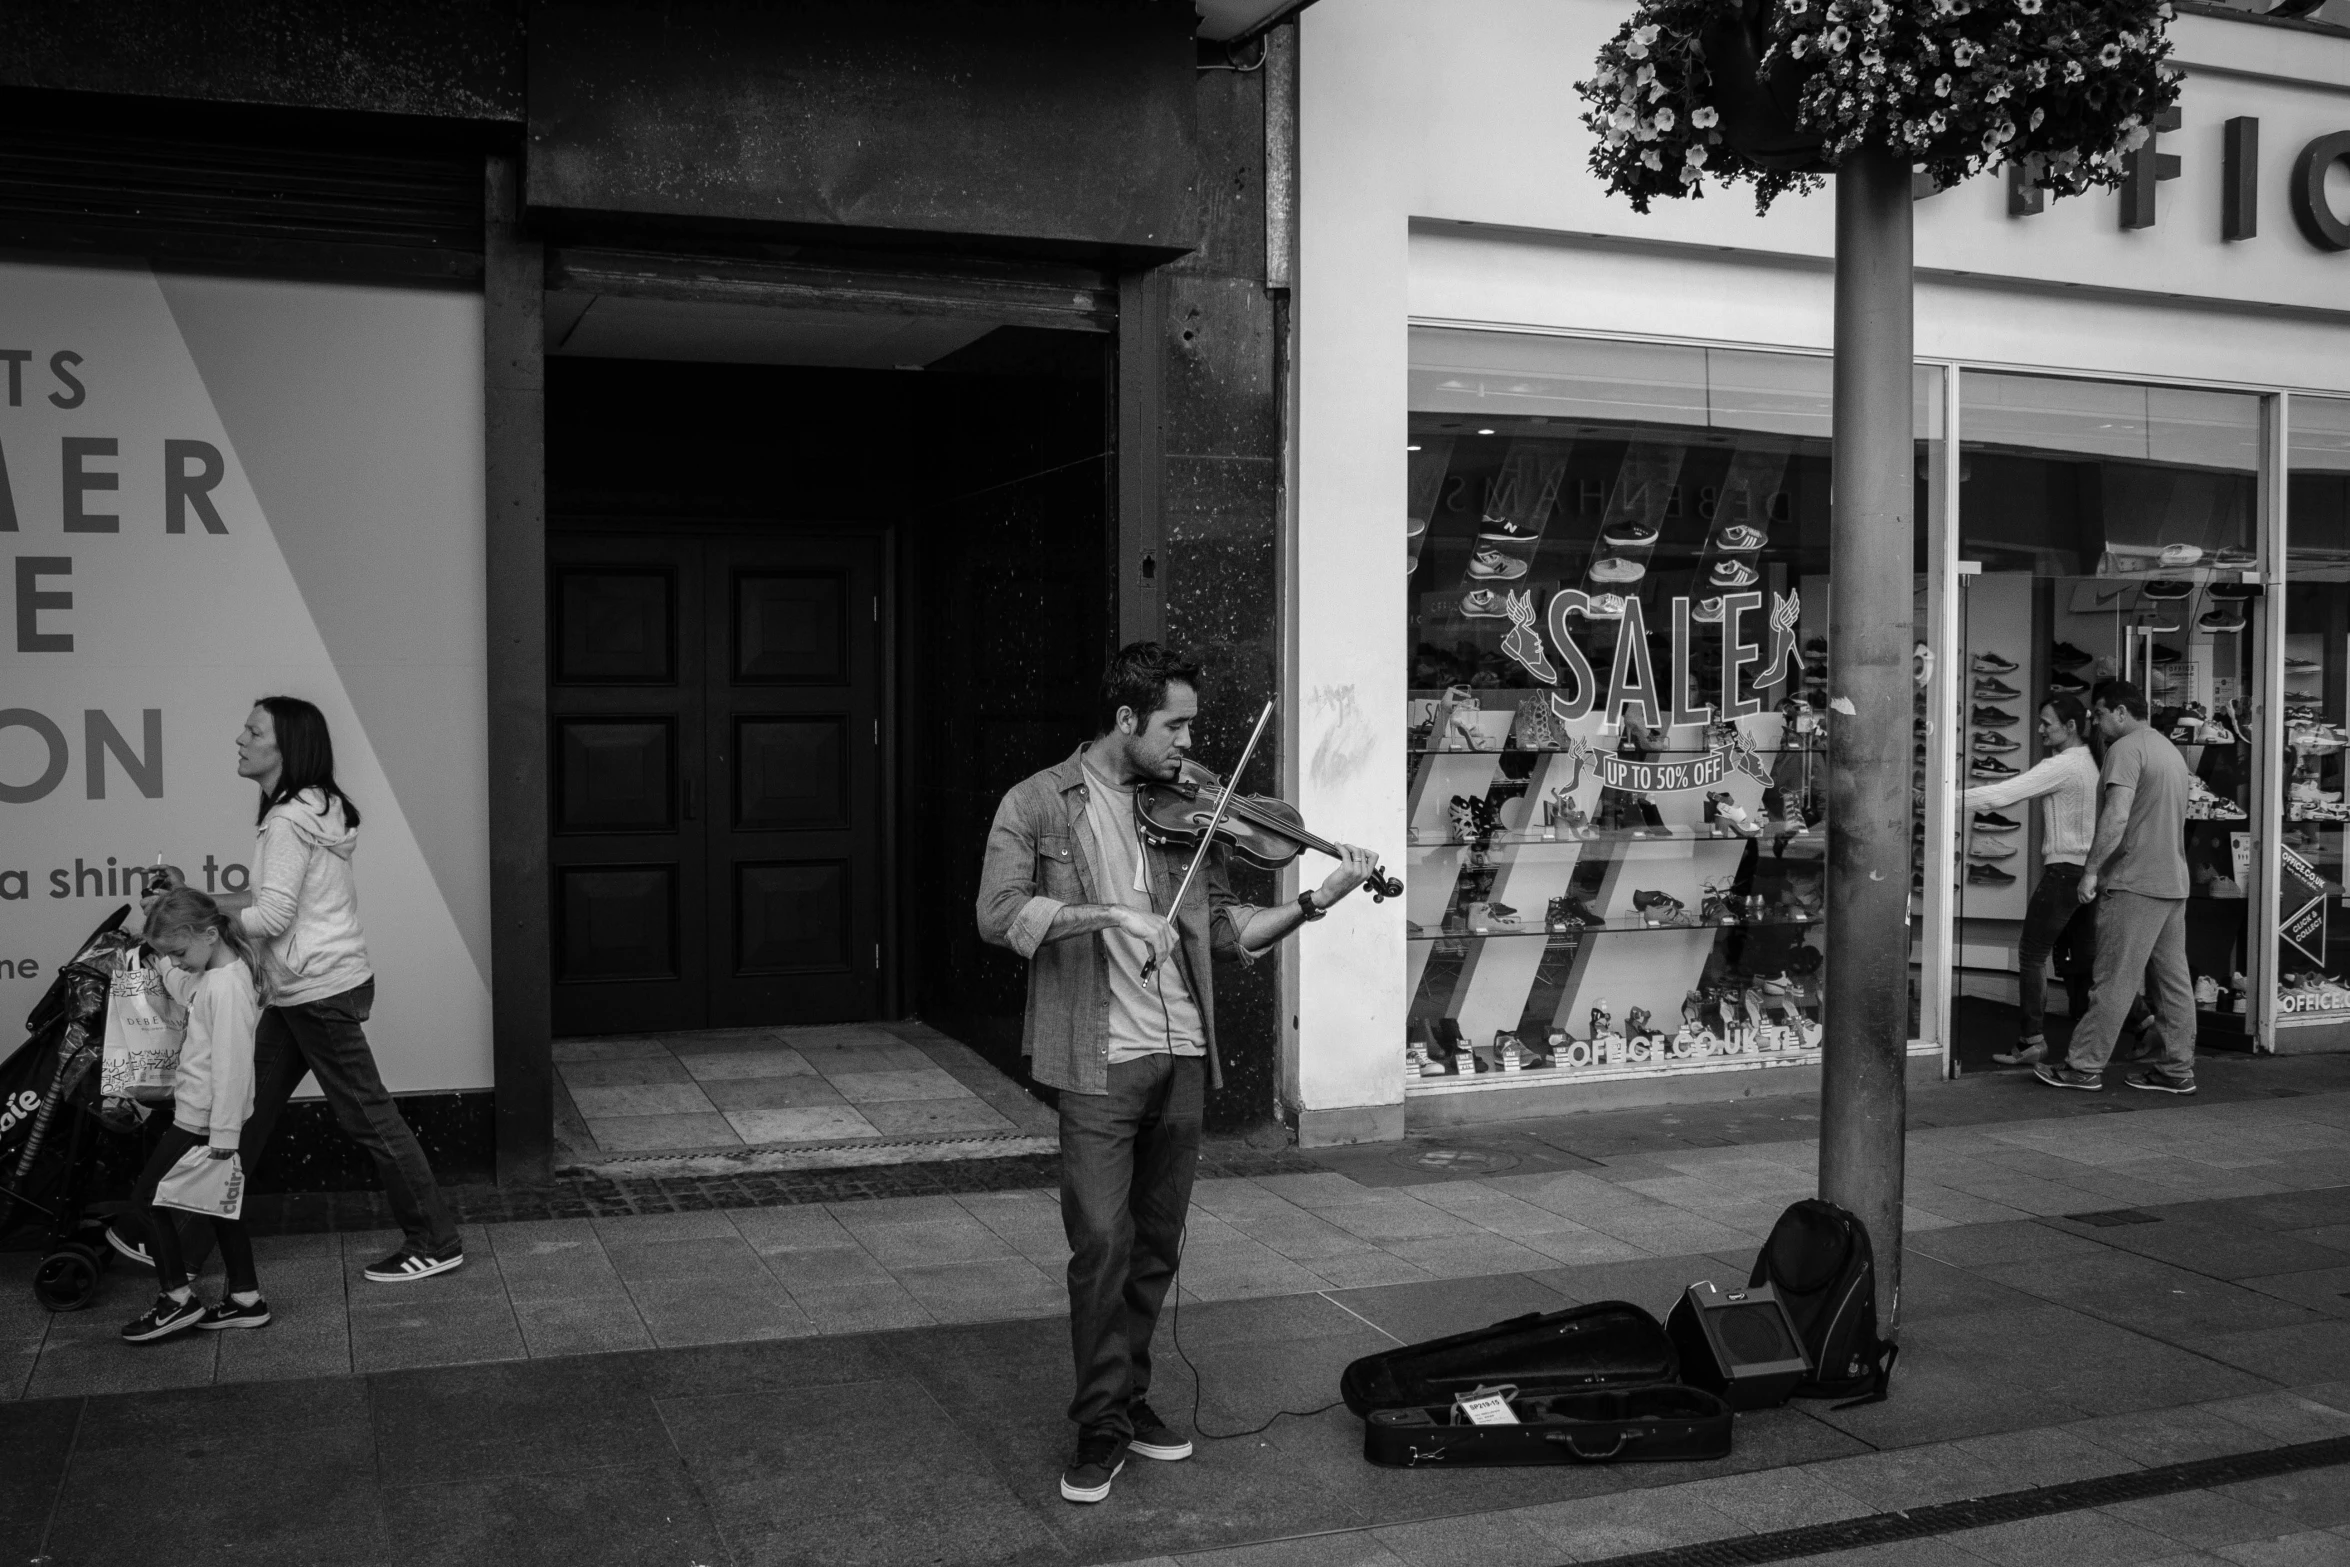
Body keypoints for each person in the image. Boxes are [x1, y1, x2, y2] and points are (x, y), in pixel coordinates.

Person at [976, 644, 1381, 1506]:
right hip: (1097, 1060)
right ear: (1127, 721)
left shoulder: (1188, 809)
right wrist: (1110, 914)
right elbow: (998, 912)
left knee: (1155, 1247)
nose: (1191, 744)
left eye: (1193, 726)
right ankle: (1097, 1425)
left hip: (1182, 1053)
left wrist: (1319, 898)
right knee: (1100, 1245)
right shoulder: (1037, 803)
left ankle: (1128, 1397)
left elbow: (1230, 929)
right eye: (1176, 726)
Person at [123, 697, 463, 1281]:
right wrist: (196, 898)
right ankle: (185, 1240)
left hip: (317, 991)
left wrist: (192, 915)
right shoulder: (307, 809)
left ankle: (436, 1239)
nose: (240, 739)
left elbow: (273, 916)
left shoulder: (285, 821)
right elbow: (273, 900)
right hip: (308, 987)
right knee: (245, 1115)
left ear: (287, 749)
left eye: (254, 732)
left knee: (370, 1118)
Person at [119, 888, 269, 1342]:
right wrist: (159, 959)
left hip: (203, 1123)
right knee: (221, 1207)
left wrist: (224, 1135)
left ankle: (176, 1302)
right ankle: (246, 1300)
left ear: (208, 933)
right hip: (206, 1120)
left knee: (148, 1200)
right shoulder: (212, 975)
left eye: (179, 952)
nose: (178, 961)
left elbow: (233, 1063)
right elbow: (185, 986)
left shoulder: (226, 987)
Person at [2038, 679, 2199, 1094]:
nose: (2095, 722)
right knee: (2173, 983)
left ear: (2121, 712)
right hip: (2172, 881)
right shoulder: (2169, 751)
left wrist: (2090, 870)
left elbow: (2117, 815)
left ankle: (2083, 1066)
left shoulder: (2126, 750)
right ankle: (2177, 1069)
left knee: (2113, 978)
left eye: (2100, 714)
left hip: (2134, 881)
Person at [1959, 696, 2099, 1067]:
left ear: (2070, 728)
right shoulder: (2087, 763)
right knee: (2087, 960)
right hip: (2086, 870)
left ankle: (2031, 1039)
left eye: (2046, 723)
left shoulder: (2066, 765)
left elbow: (2005, 793)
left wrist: (1943, 797)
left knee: (2032, 953)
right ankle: (2145, 1021)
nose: (2039, 729)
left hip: (2065, 870)